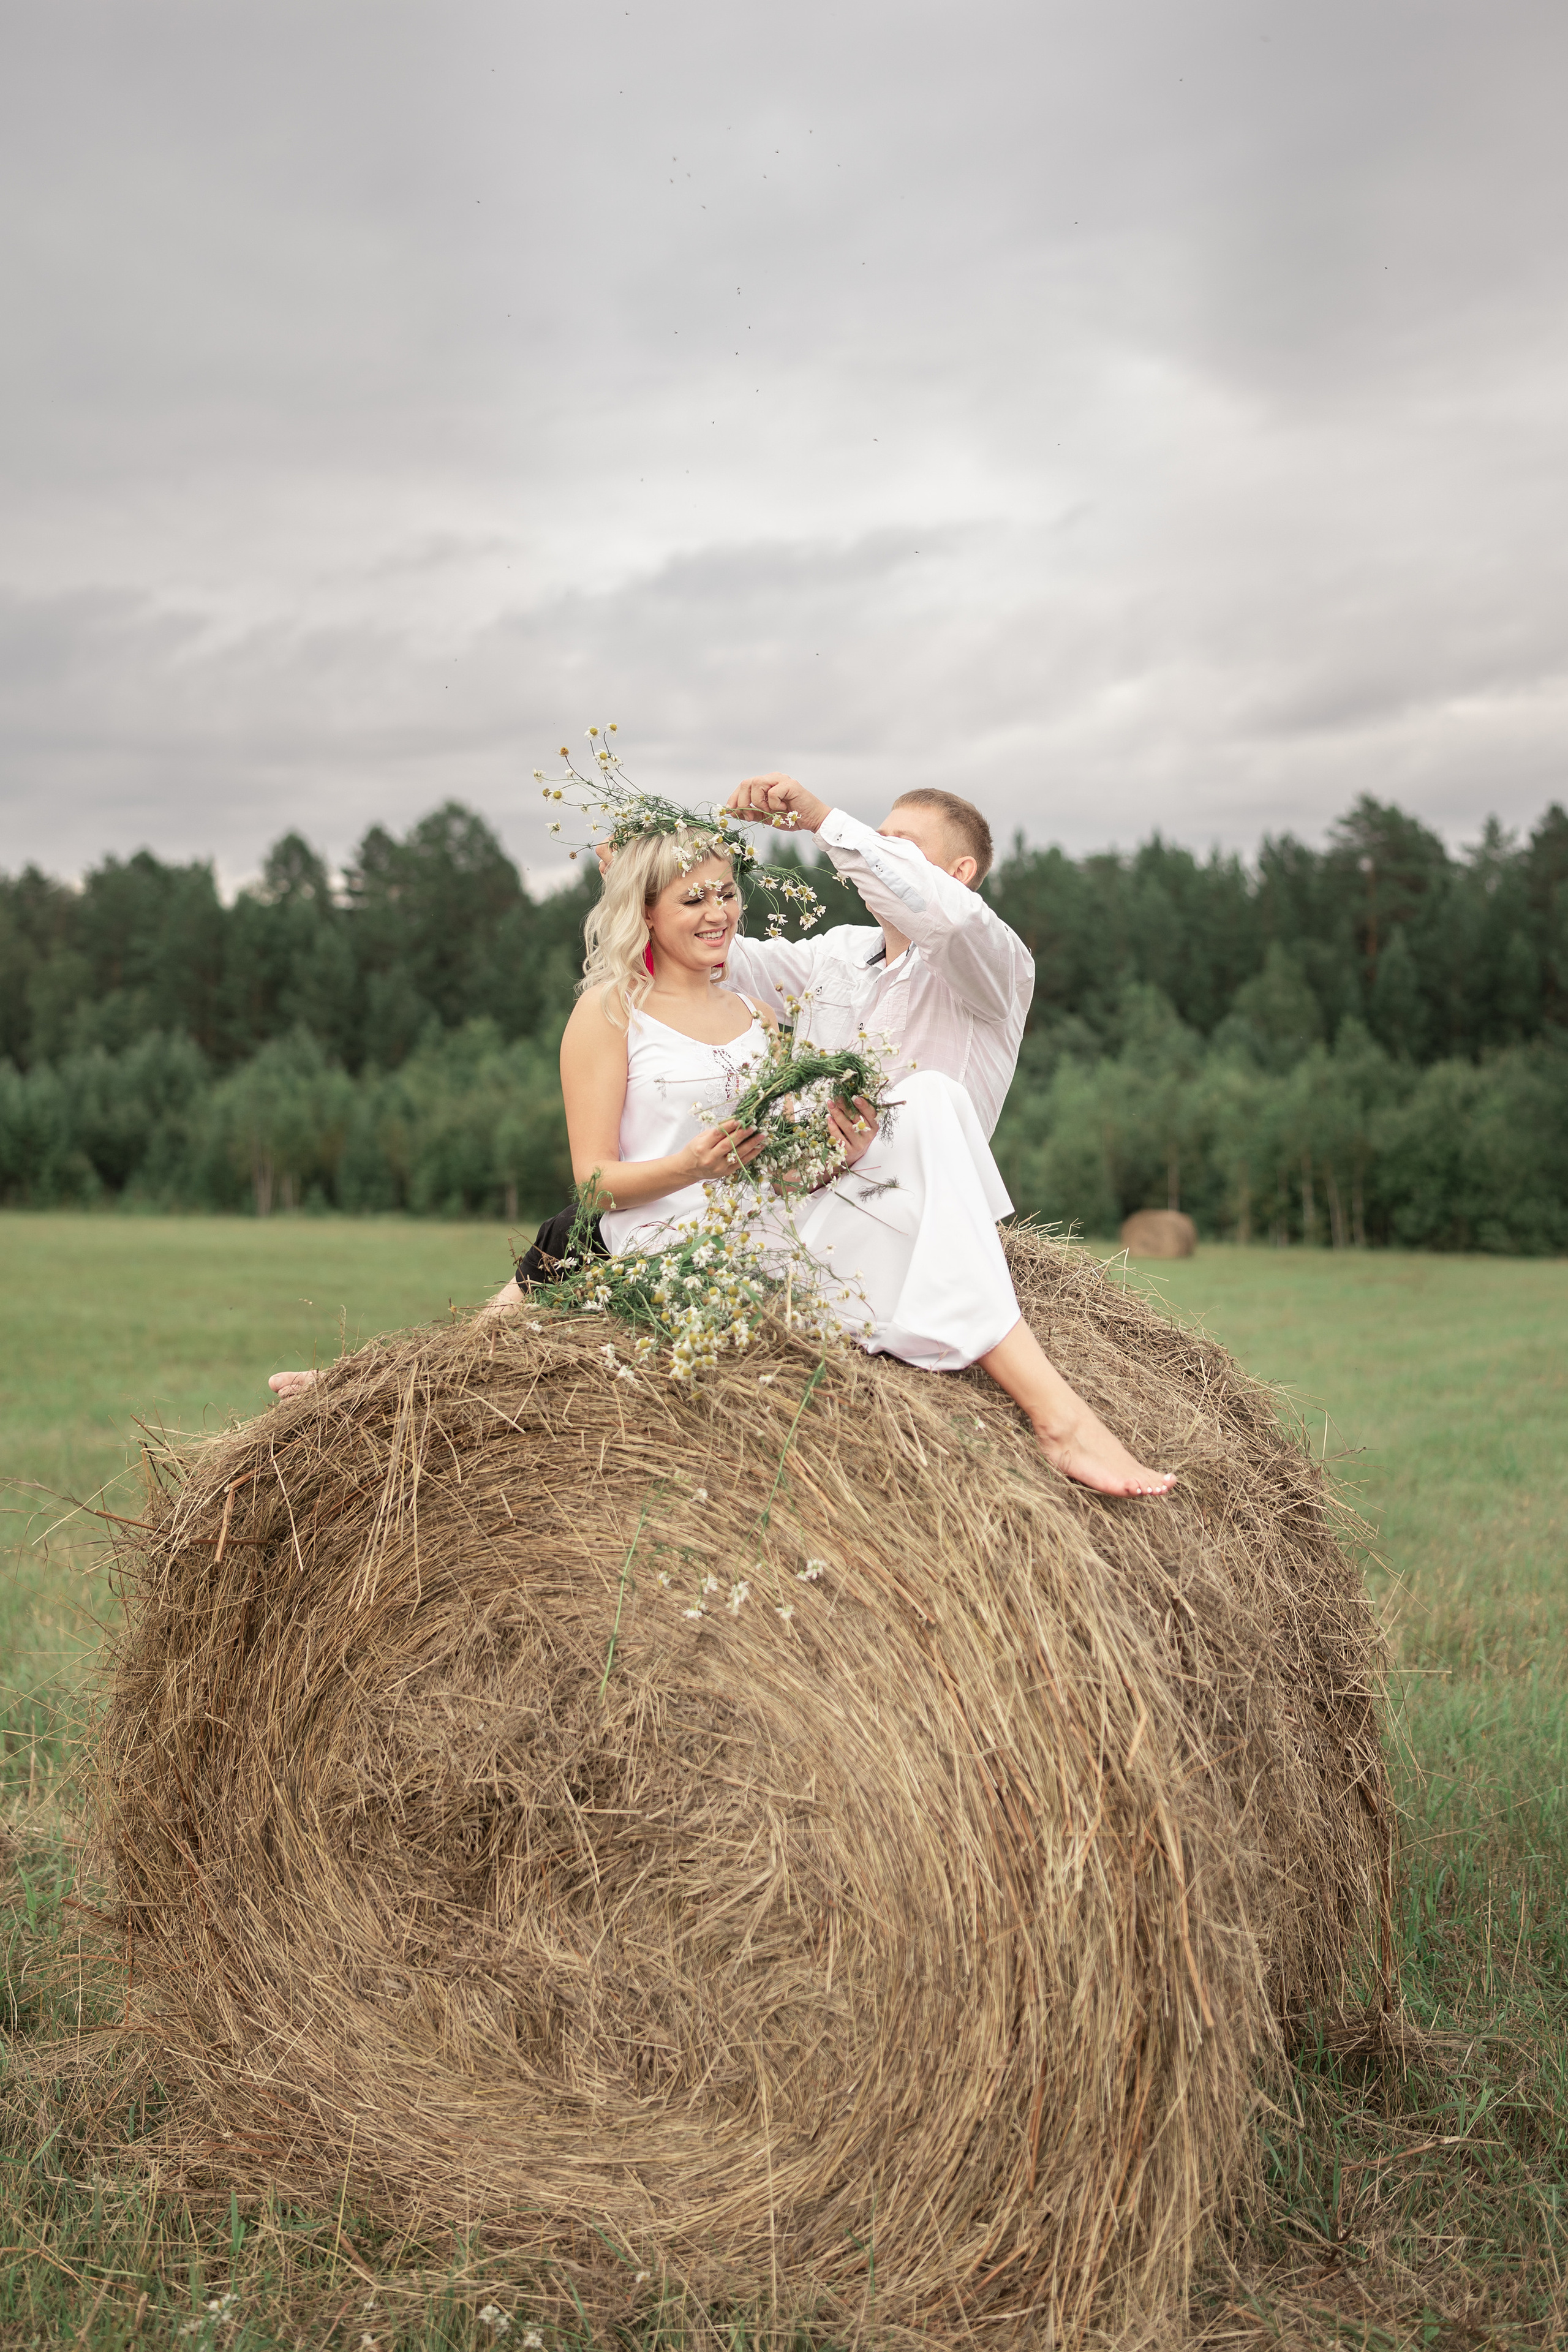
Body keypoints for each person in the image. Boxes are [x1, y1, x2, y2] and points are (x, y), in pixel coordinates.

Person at [494, 818, 1172, 1498]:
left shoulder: (758, 1017)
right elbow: (592, 1185)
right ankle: (1059, 1416)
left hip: (770, 1232)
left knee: (931, 1098)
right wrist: (691, 1169)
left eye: (726, 894)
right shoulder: (610, 1011)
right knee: (911, 1192)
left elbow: (776, 1166)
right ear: (645, 910)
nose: (718, 913)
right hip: (676, 1248)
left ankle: (1055, 1414)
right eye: (693, 899)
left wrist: (830, 1159)